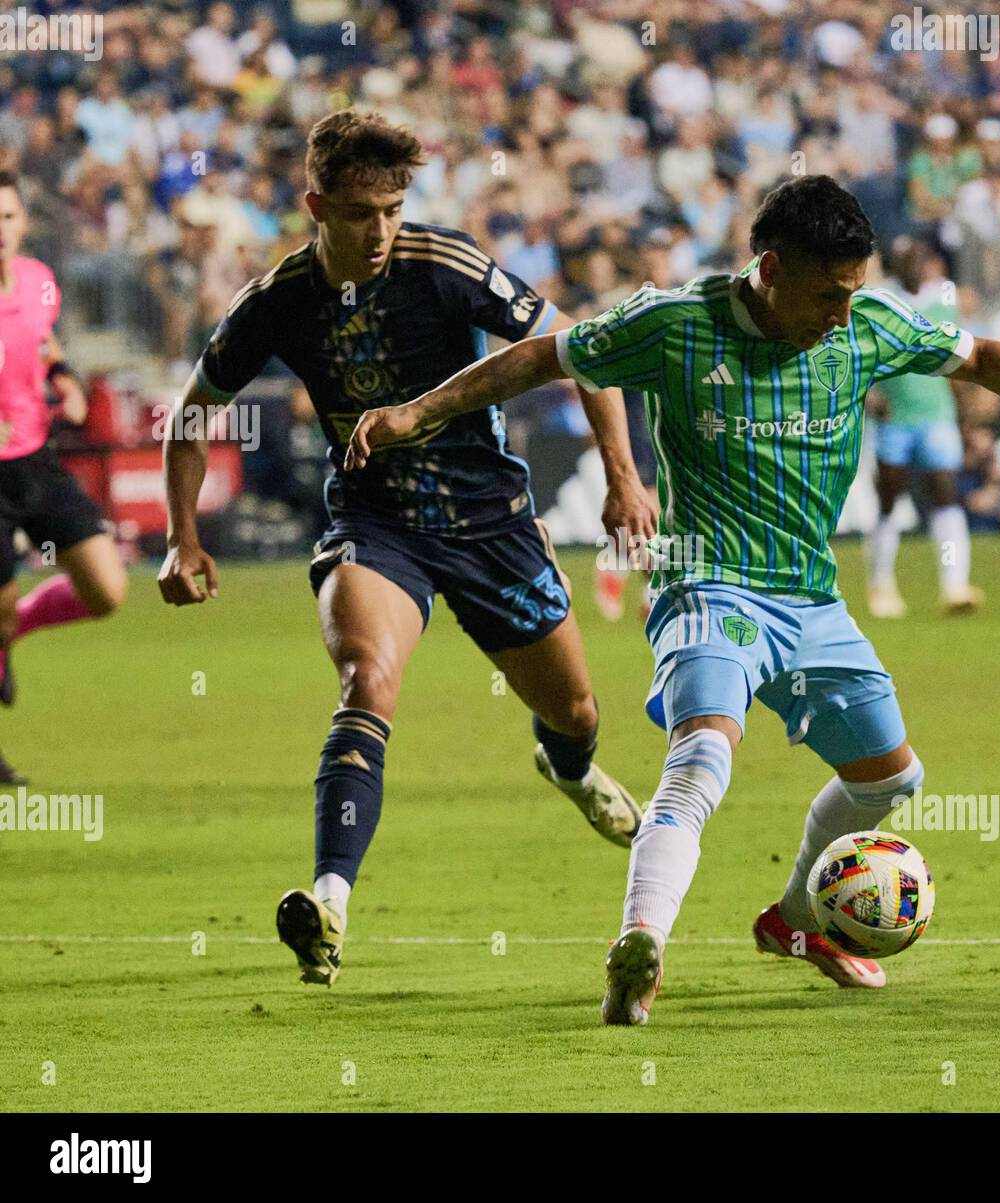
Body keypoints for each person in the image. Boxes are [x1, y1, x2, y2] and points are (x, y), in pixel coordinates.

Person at [345, 175, 1000, 1025]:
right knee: (704, 754)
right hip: (708, 585)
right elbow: (537, 358)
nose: (842, 314)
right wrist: (417, 412)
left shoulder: (873, 323)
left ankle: (797, 921)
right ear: (770, 268)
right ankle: (641, 943)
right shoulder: (673, 324)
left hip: (813, 600)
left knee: (893, 780)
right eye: (826, 294)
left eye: (853, 292)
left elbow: (978, 356)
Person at [158, 110, 656, 987]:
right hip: (375, 524)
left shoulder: (447, 264)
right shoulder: (277, 300)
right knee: (366, 679)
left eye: (393, 207)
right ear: (317, 204)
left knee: (575, 713)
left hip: (492, 524)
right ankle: (330, 904)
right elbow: (193, 413)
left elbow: (581, 351)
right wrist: (181, 536)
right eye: (359, 212)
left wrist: (623, 479)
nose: (381, 229)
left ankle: (571, 772)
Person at [0, 171, 128, 783]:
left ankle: (10, 630)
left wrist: (66, 381)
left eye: (6, 218)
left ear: (23, 223)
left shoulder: (37, 282)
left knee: (106, 590)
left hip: (36, 461)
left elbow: (43, 344)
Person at [866, 240, 982, 618]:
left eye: (917, 258)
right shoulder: (880, 303)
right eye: (904, 259)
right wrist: (869, 397)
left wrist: (967, 415)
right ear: (894, 265)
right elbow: (863, 357)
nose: (913, 266)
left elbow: (959, 359)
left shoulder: (944, 299)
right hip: (895, 417)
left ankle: (955, 585)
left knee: (946, 493)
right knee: (889, 499)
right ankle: (880, 584)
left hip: (937, 415)